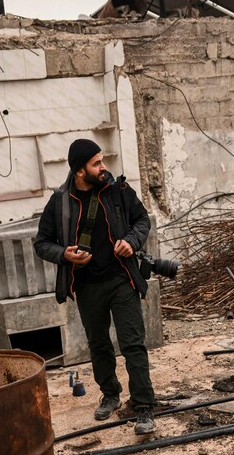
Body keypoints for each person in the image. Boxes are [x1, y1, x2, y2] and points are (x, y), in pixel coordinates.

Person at [34, 139, 157, 435]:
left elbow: (142, 220)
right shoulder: (60, 202)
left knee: (132, 343)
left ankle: (143, 406)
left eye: (102, 160)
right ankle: (110, 395)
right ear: (80, 171)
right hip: (87, 285)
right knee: (98, 344)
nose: (103, 167)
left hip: (122, 278)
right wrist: (64, 254)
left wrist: (131, 241)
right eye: (96, 163)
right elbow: (41, 243)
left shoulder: (118, 190)